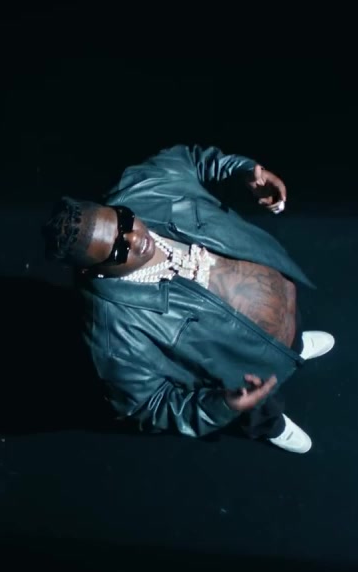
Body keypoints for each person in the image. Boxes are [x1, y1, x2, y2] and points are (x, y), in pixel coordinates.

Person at [40, 144, 335, 453]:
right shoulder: (112, 335)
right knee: (258, 405)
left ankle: (295, 348)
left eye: (124, 222)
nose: (136, 238)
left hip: (281, 299)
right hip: (245, 371)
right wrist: (223, 406)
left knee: (292, 332)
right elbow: (148, 405)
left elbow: (192, 160)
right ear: (90, 270)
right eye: (118, 249)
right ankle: (270, 426)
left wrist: (243, 171)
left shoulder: (143, 186)